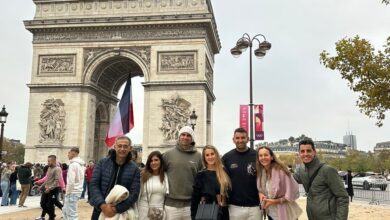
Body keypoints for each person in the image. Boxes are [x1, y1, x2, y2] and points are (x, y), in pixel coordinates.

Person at [293, 139, 349, 220]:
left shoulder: (328, 170)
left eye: (308, 151)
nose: (305, 154)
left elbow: (343, 197)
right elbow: (287, 179)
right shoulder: (301, 170)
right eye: (302, 151)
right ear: (299, 153)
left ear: (314, 152)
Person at [89, 135, 140, 220]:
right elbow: (94, 185)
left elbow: (134, 193)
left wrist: (116, 209)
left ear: (130, 148)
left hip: (122, 213)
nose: (122, 149)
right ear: (115, 147)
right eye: (119, 146)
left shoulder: (135, 169)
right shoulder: (102, 163)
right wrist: (103, 206)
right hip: (100, 209)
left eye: (125, 146)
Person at [162, 126, 203, 220]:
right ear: (179, 136)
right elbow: (159, 174)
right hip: (171, 206)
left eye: (188, 135)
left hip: (191, 205)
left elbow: (201, 179)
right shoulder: (168, 154)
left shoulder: (198, 156)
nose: (185, 137)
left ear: (192, 138)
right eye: (183, 135)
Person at [222, 128, 262, 220]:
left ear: (247, 139)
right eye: (238, 138)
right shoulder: (227, 158)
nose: (240, 140)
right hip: (234, 207)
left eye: (243, 138)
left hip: (255, 206)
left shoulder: (257, 156)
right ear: (233, 140)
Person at [256, 146, 302, 220]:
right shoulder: (261, 173)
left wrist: (273, 201)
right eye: (260, 155)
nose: (263, 157)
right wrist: (261, 194)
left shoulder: (281, 171)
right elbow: (261, 190)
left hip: (286, 213)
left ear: (272, 157)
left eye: (266, 155)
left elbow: (292, 193)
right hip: (271, 213)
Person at [191, 145, 231, 220]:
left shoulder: (224, 171)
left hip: (223, 212)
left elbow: (229, 193)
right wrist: (193, 216)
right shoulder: (201, 175)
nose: (210, 157)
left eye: (212, 154)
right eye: (207, 155)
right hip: (207, 211)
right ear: (204, 158)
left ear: (216, 155)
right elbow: (195, 199)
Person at [137, 151, 169, 220]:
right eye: (151, 161)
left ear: (161, 161)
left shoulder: (165, 176)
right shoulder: (143, 175)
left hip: (159, 212)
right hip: (144, 210)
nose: (153, 163)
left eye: (156, 160)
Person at [62, 147, 86, 220]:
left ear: (73, 153)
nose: (67, 155)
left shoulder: (73, 165)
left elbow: (71, 182)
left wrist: (67, 192)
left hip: (72, 191)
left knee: (71, 215)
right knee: (66, 211)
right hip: (77, 190)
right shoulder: (81, 165)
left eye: (68, 153)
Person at [40, 155, 62, 220]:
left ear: (54, 161)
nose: (48, 162)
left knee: (50, 204)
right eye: (48, 161)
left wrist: (50, 188)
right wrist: (41, 186)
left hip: (54, 189)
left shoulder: (57, 169)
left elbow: (56, 181)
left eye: (49, 161)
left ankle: (51, 217)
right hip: (47, 188)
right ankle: (52, 215)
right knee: (42, 204)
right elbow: (47, 179)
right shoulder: (49, 168)